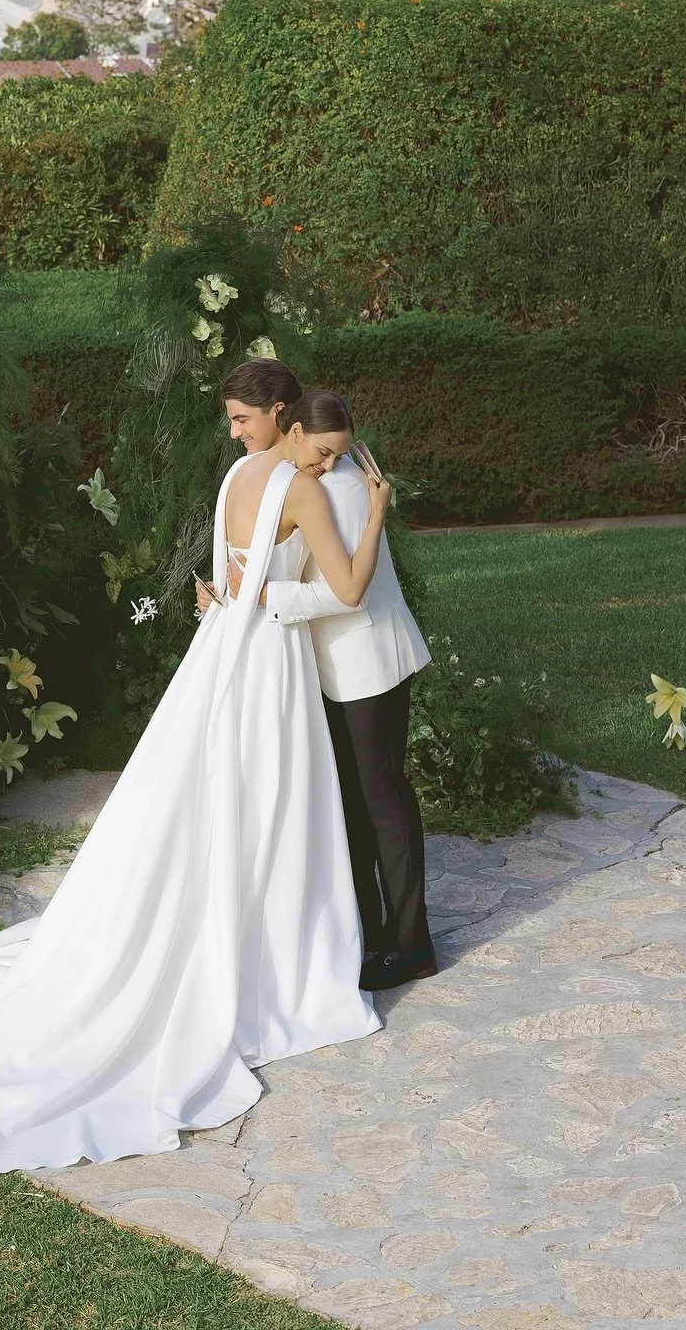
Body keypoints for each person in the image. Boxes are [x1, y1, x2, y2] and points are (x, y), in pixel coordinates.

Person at [0, 393, 393, 1173]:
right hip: (269, 658)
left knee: (214, 798)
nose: (326, 463)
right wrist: (376, 510)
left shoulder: (236, 476)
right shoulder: (303, 488)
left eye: (242, 417)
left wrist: (236, 597)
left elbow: (221, 579)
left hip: (221, 651)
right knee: (267, 803)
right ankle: (269, 955)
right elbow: (348, 591)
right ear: (293, 417)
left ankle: (228, 925)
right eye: (321, 449)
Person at [212, 366, 435, 992]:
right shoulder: (289, 478)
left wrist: (264, 597)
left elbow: (348, 594)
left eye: (336, 453)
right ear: (298, 429)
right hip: (325, 670)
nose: (327, 463)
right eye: (323, 451)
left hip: (370, 662)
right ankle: (369, 934)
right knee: (353, 807)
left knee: (384, 802)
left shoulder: (331, 489)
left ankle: (413, 944)